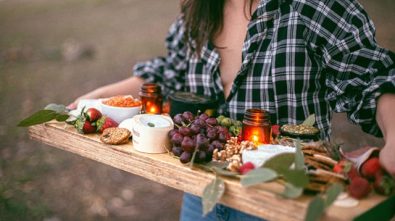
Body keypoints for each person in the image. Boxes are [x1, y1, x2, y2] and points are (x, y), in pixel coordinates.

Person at [69, 0, 395, 220]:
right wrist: (99, 98)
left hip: (284, 202)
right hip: (201, 197)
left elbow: (372, 78)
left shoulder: (317, 8)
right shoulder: (199, 11)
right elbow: (168, 71)